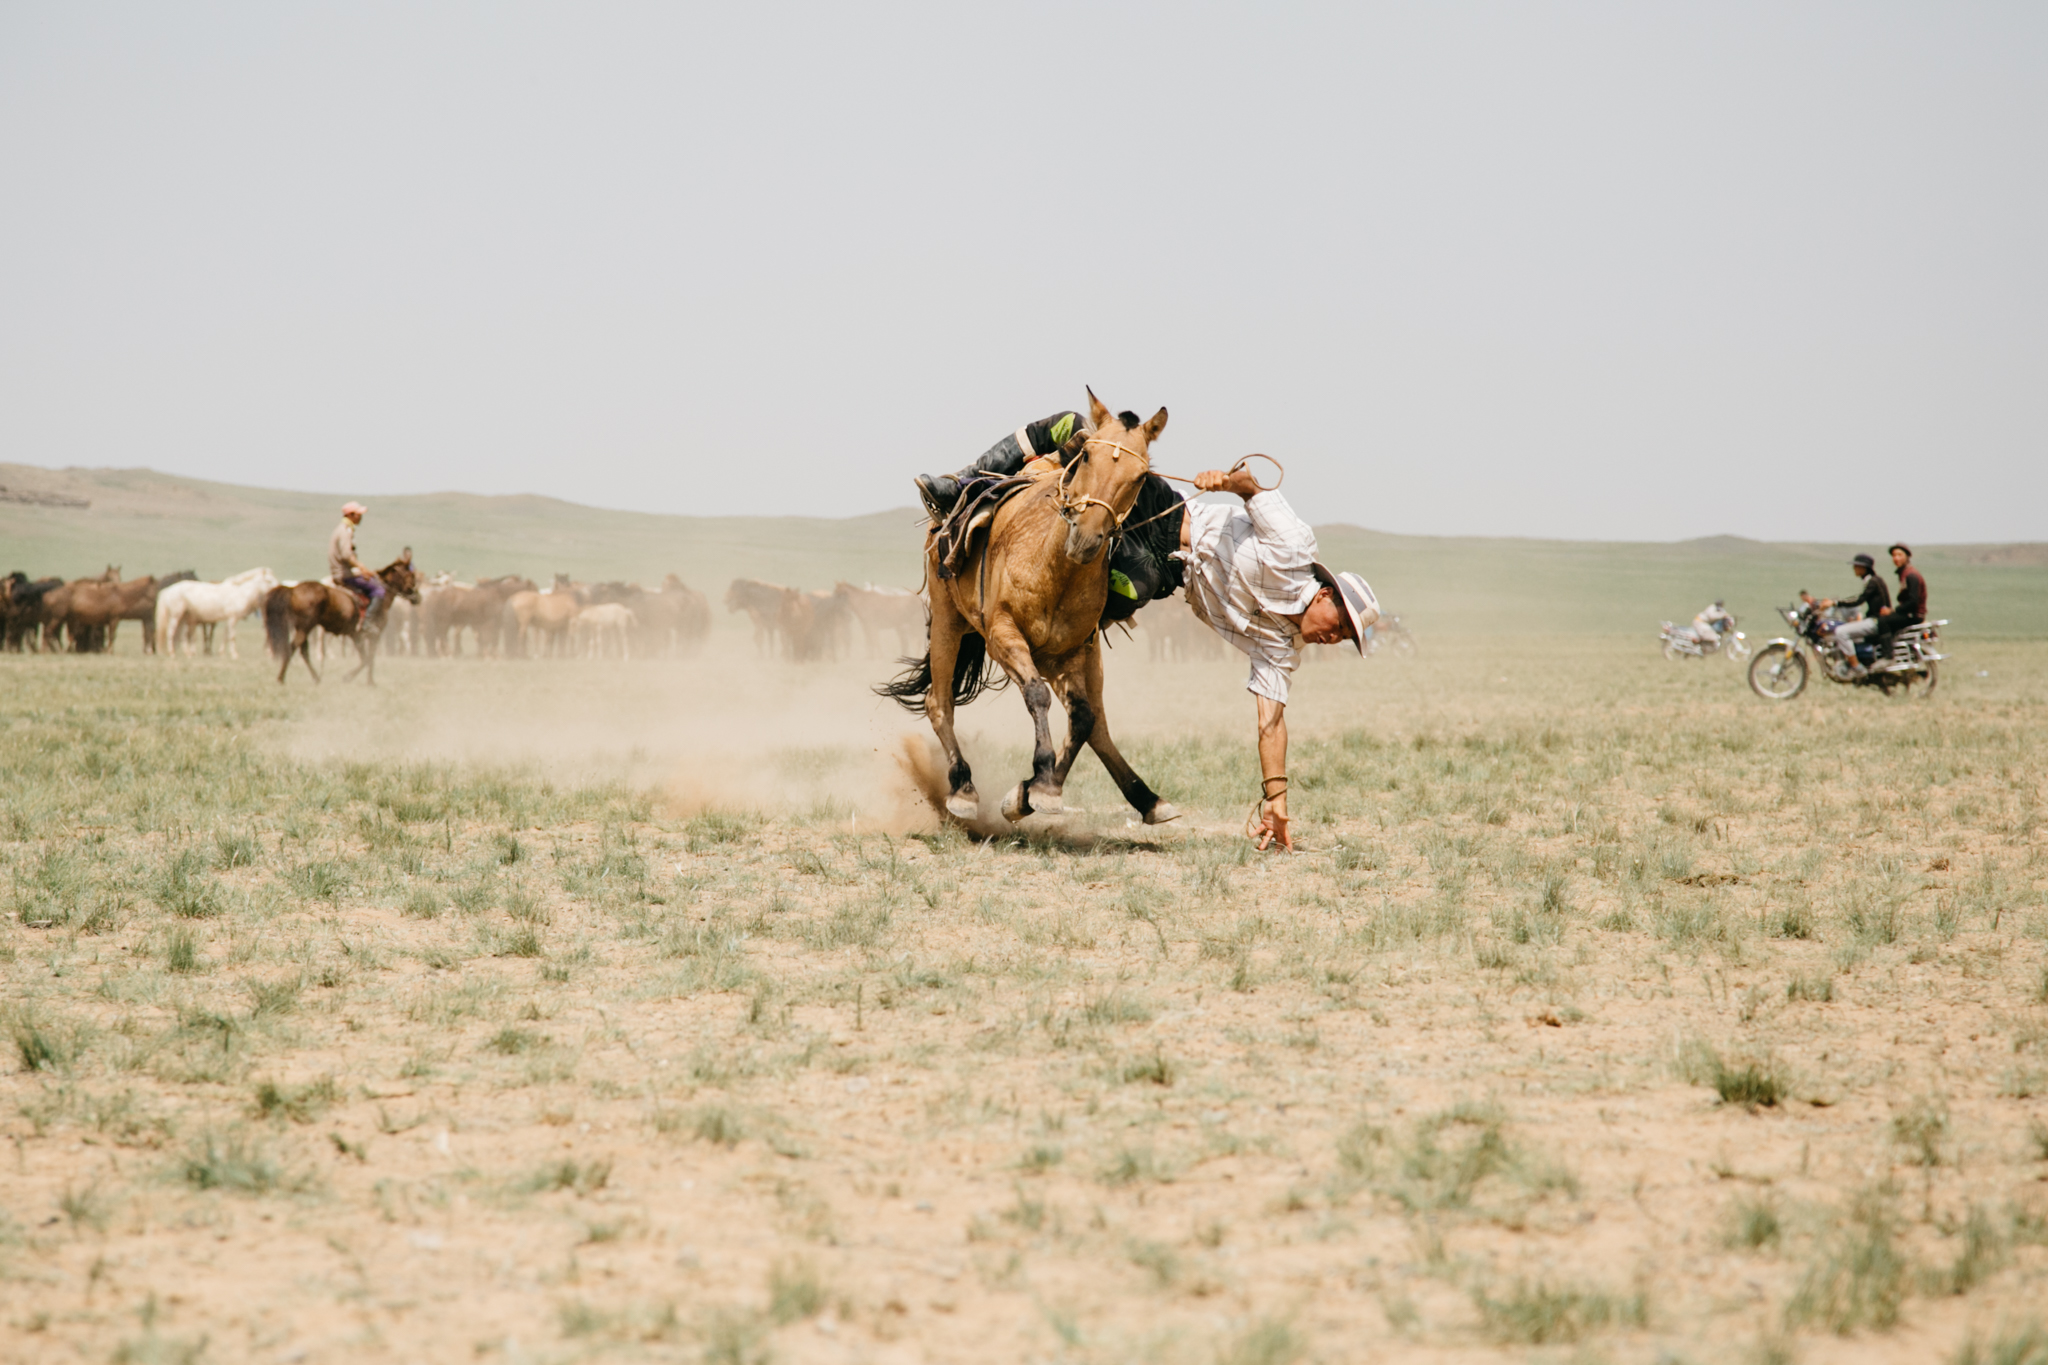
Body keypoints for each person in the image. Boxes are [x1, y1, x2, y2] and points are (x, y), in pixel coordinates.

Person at [1176, 464, 1378, 852]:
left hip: (1163, 576)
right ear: (1324, 596)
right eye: (1340, 626)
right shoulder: (1295, 547)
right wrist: (1223, 481)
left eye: (1345, 638)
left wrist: (1277, 802)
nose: (1333, 638)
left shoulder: (1283, 651)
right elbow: (1250, 485)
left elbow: (1271, 723)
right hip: (1167, 521)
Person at [916, 407, 1184, 623]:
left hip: (1140, 546)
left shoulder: (1153, 490)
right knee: (1067, 421)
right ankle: (961, 483)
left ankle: (1087, 622)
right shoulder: (1084, 434)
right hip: (1073, 468)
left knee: (1131, 588)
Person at [1813, 554, 1891, 667]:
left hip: (1876, 621)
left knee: (1840, 632)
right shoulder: (1873, 580)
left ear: (1864, 568)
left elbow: (1858, 600)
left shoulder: (1873, 582)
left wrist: (1834, 603)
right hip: (1876, 620)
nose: (1854, 568)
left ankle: (1855, 667)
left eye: (1856, 566)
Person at [1871, 542, 1927, 662]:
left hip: (1913, 615)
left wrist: (1893, 610)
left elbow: (1913, 601)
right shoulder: (1905, 573)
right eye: (1894, 555)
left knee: (1883, 621)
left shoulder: (1911, 575)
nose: (1896, 558)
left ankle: (1887, 657)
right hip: (1911, 614)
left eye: (1899, 555)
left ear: (1907, 556)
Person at [327, 502, 384, 617]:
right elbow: (346, 555)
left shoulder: (342, 529)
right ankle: (368, 624)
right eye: (358, 514)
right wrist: (362, 568)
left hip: (341, 572)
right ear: (351, 515)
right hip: (345, 574)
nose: (361, 517)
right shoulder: (345, 531)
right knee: (379, 590)